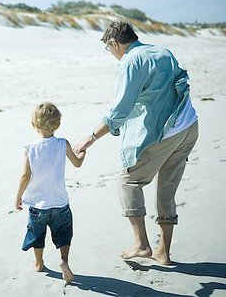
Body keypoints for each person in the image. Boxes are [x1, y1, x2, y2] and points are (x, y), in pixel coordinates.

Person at [74, 21, 198, 265]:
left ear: (115, 43)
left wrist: (91, 136)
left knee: (129, 181)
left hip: (167, 131)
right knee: (166, 190)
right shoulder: (162, 51)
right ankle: (163, 253)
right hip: (189, 125)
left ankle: (142, 244)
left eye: (109, 50)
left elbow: (121, 109)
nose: (111, 55)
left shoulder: (131, 61)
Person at [15, 102, 86, 283]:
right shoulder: (63, 144)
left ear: (33, 124)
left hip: (38, 205)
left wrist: (18, 197)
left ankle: (39, 263)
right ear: (58, 124)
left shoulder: (29, 149)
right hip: (60, 202)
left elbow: (25, 175)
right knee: (64, 234)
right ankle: (64, 261)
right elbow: (77, 163)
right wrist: (83, 152)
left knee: (37, 235)